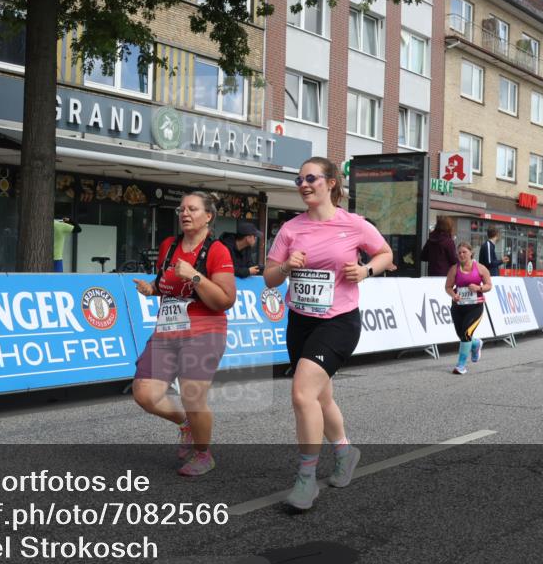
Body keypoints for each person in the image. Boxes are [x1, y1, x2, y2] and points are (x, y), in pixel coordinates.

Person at [263, 156, 393, 511]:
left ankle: (306, 480)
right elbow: (270, 277)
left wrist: (365, 270)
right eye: (298, 180)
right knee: (320, 399)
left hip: (339, 322)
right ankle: (345, 452)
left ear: (331, 183)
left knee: (302, 394)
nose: (303, 185)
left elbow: (385, 253)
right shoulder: (291, 228)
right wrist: (287, 266)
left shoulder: (353, 224)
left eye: (311, 178)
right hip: (300, 321)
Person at [130, 192, 236, 477]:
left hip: (204, 330)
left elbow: (225, 300)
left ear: (208, 216)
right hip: (167, 331)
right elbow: (166, 283)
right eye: (181, 209)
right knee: (144, 394)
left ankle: (203, 454)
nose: (185, 213)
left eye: (192, 209)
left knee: (192, 395)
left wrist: (195, 276)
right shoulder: (168, 245)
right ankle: (186, 424)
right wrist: (152, 289)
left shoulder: (217, 251)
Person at [445, 242, 493, 375]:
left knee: (466, 333)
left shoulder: (481, 268)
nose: (461, 254)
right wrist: (454, 295)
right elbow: (448, 287)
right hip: (458, 307)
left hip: (475, 307)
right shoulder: (454, 269)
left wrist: (479, 288)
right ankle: (476, 344)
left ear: (471, 253)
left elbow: (489, 285)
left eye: (464, 252)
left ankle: (461, 365)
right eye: (459, 252)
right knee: (462, 335)